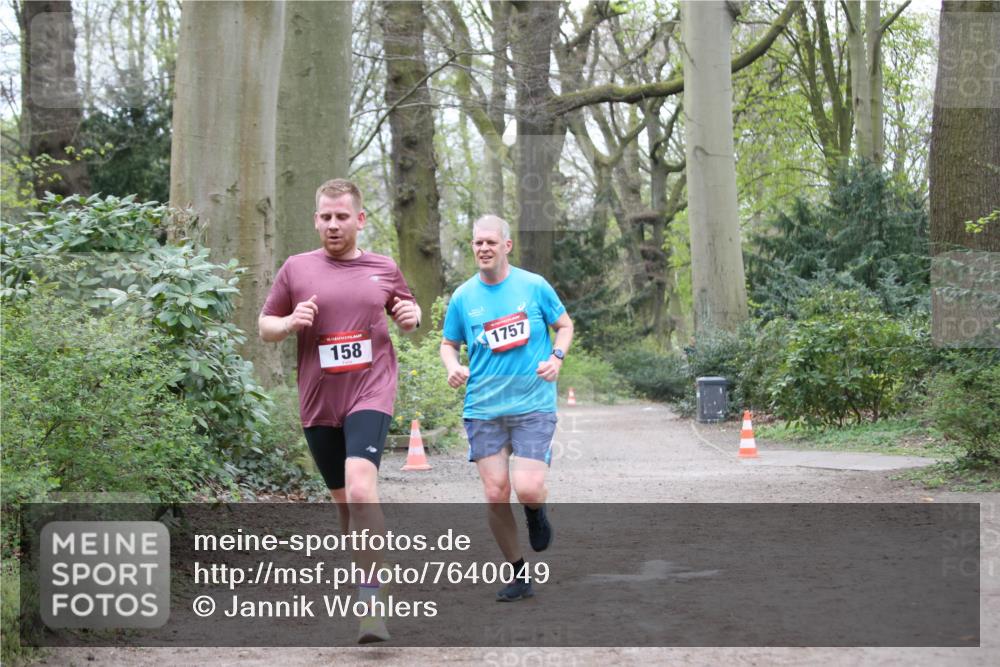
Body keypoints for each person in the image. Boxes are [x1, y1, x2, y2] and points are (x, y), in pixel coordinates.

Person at [258, 178, 420, 643]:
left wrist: (412, 317)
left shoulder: (383, 267)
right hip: (318, 402)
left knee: (362, 489)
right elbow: (265, 325)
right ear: (316, 219)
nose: (333, 224)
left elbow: (407, 310)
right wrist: (289, 323)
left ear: (360, 220)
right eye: (325, 217)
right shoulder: (296, 269)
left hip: (370, 392)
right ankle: (370, 577)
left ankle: (372, 607)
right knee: (346, 505)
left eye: (342, 216)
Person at [440, 214, 573, 602]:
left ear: (506, 246)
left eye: (490, 243)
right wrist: (453, 366)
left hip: (532, 402)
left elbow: (564, 324)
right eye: (477, 243)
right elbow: (448, 343)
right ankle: (518, 574)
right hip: (483, 406)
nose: (483, 248)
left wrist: (557, 357)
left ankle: (535, 510)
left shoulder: (533, 286)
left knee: (527, 488)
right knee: (496, 493)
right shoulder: (464, 297)